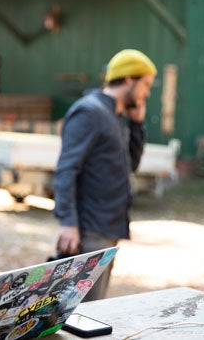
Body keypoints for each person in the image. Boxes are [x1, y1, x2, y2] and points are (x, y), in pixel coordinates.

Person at [52, 49, 157, 301]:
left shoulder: (114, 116)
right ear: (129, 80)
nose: (147, 93)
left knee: (94, 308)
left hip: (108, 229)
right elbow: (66, 168)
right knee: (81, 313)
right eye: (146, 85)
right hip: (90, 232)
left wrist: (137, 125)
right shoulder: (89, 112)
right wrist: (68, 222)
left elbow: (128, 166)